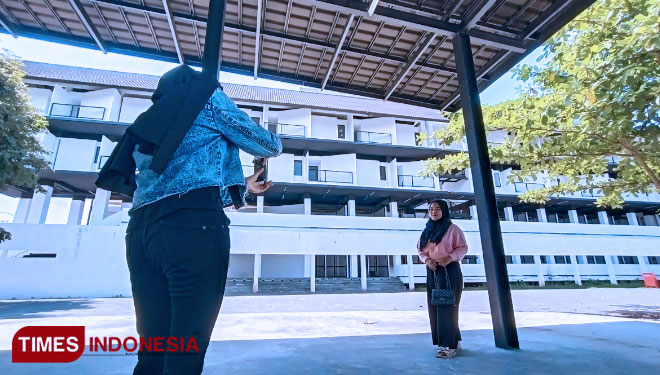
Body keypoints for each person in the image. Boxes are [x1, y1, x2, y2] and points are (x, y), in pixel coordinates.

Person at [95, 65, 282, 374]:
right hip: (193, 229)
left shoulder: (151, 121)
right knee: (186, 348)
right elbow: (267, 144)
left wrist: (242, 184)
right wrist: (273, 141)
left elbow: (177, 182)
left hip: (142, 232)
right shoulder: (207, 99)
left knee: (154, 349)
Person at [417, 199, 468, 359]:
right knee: (435, 307)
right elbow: (420, 249)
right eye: (431, 209)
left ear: (444, 211)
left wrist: (450, 257)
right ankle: (451, 339)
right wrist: (427, 260)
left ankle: (448, 345)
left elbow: (463, 247)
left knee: (447, 306)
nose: (433, 212)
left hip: (449, 270)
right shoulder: (427, 230)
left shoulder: (453, 229)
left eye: (438, 209)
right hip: (432, 270)